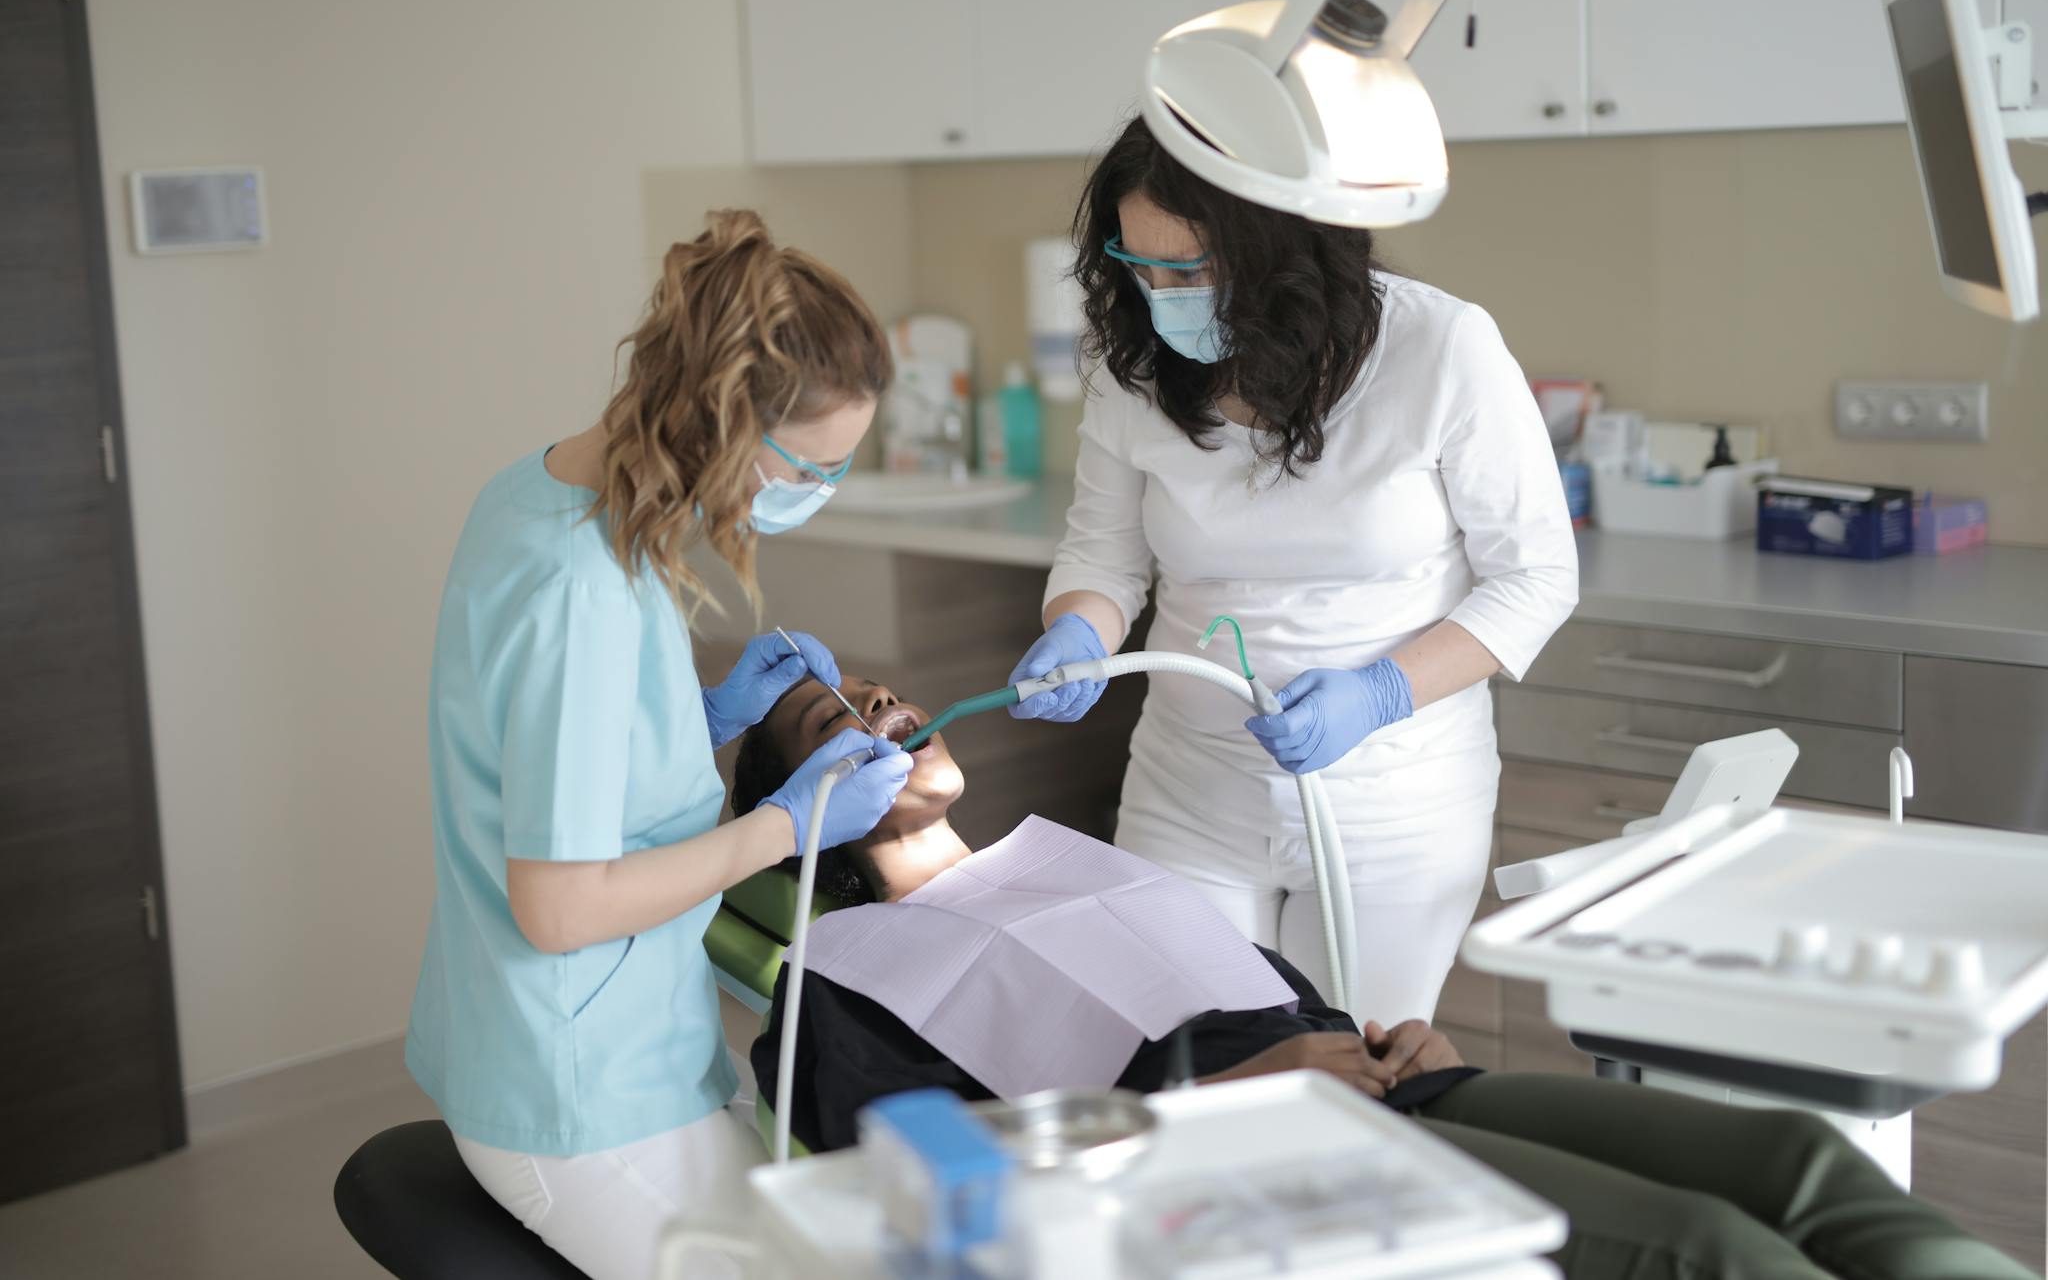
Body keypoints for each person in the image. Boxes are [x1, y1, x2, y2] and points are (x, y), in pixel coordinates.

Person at [732, 676, 2037, 1280]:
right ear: (785, 809)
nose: (877, 707)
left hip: (1393, 1087)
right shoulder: (829, 987)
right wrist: (1235, 1092)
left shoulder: (1066, 865)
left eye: (877, 694)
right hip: (1259, 1180)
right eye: (826, 723)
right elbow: (958, 1191)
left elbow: (1244, 986)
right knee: (1705, 1252)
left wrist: (1380, 1032)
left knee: (1799, 1159)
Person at [404, 210, 914, 1280]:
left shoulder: (546, 494)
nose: (817, 495)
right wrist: (788, 823)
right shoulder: (580, 590)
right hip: (578, 1092)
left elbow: (548, 750)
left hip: (619, 1040)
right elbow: (560, 905)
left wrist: (704, 716)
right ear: (727, 423)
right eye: (808, 470)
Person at [1011, 116, 1580, 1021]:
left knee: (1349, 1077)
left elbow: (1537, 578)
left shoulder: (1440, 349)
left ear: (1282, 251)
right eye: (1139, 265)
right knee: (1192, 1057)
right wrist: (1078, 627)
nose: (1161, 296)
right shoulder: (1133, 364)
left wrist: (1382, 693)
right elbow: (1104, 554)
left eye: (1191, 270)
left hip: (1393, 805)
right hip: (1188, 791)